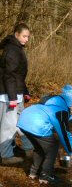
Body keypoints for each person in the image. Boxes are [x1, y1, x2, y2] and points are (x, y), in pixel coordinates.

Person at [17, 85, 72, 184]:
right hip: (36, 125)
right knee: (52, 147)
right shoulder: (61, 111)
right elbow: (64, 133)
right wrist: (71, 152)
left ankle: (34, 172)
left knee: (40, 148)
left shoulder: (52, 103)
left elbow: (55, 130)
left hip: (23, 121)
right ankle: (46, 176)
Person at [0, 23, 33, 164]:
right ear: (16, 34)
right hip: (8, 95)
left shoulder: (17, 48)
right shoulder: (12, 50)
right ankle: (6, 156)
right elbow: (9, 75)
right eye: (24, 36)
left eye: (28, 37)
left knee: (22, 122)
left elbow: (18, 75)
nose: (26, 39)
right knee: (9, 125)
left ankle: (28, 148)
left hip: (16, 93)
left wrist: (24, 91)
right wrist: (13, 97)